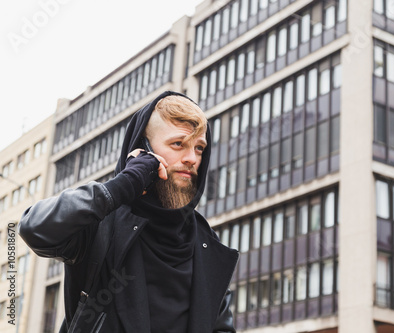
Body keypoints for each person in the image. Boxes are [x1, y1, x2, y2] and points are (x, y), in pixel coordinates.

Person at [19, 91, 239, 333]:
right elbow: (34, 228)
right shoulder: (101, 223)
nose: (191, 159)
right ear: (142, 149)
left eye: (199, 148)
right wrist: (125, 183)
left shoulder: (207, 243)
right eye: (178, 144)